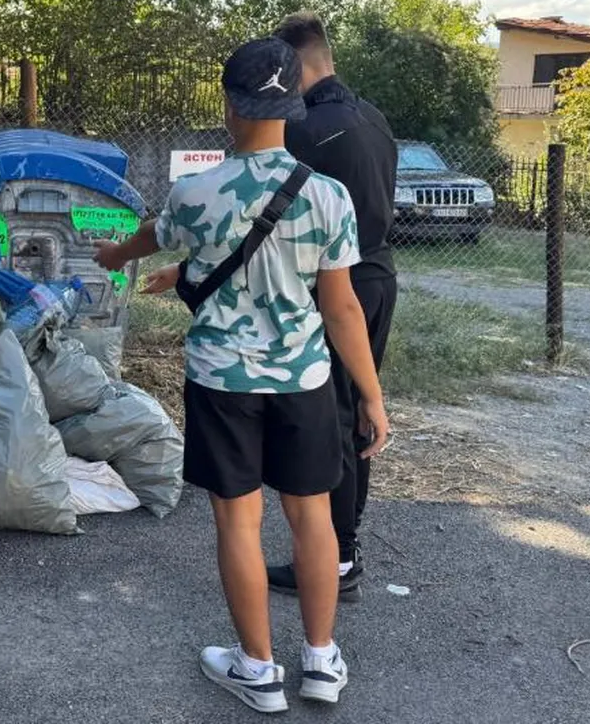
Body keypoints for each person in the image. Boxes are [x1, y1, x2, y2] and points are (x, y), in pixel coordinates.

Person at [95, 38, 389, 713]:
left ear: (229, 105)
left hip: (222, 381)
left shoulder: (195, 192)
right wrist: (371, 397)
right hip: (304, 380)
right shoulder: (327, 196)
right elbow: (341, 307)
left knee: (238, 521)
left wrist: (115, 255)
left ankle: (257, 669)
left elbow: (153, 238)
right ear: (294, 107)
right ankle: (321, 660)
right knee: (312, 515)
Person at [144, 11, 399, 602]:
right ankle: (345, 550)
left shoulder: (301, 131)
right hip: (373, 279)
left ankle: (333, 560)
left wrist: (184, 268)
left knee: (315, 443)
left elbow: (254, 229)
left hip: (315, 293)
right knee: (350, 420)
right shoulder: (373, 120)